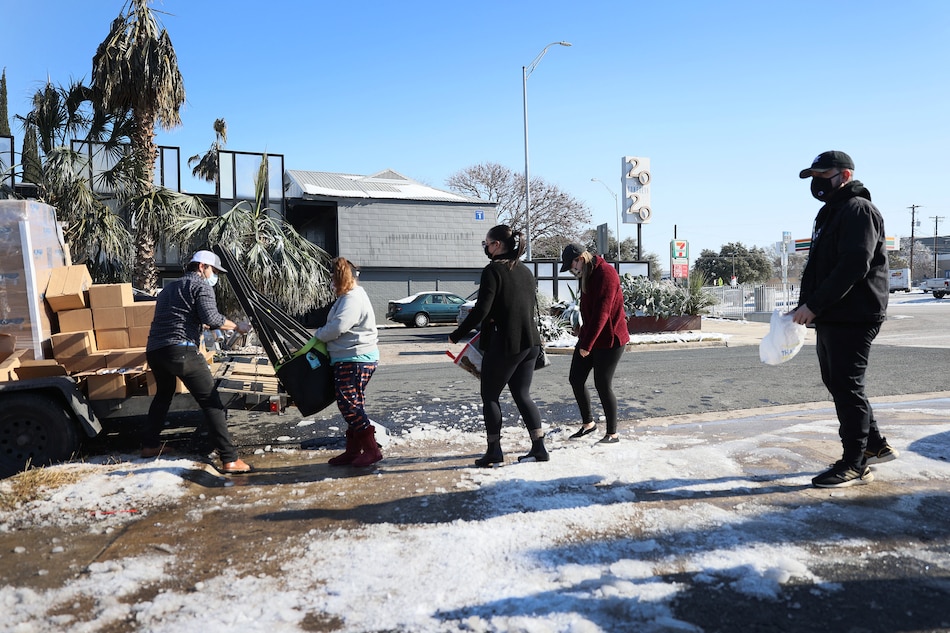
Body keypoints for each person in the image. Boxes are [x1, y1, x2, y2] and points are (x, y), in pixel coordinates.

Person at [792, 151, 897, 488]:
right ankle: (874, 445)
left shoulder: (858, 211)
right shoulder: (831, 212)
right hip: (836, 312)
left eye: (824, 176)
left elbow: (853, 265)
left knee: (846, 385)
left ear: (845, 176)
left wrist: (816, 305)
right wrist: (803, 306)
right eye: (814, 178)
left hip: (855, 312)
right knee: (839, 382)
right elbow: (820, 268)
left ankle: (854, 463)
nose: (818, 183)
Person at [143, 250, 253, 474]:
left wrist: (201, 326)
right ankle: (230, 459)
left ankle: (150, 445)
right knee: (211, 402)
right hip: (182, 351)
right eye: (214, 270)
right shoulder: (201, 285)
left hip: (155, 351)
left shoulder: (169, 289)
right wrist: (237, 326)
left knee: (163, 396)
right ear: (202, 266)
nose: (215, 277)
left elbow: (179, 317)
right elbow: (212, 318)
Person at [449, 224, 546, 466]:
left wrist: (457, 334)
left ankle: (494, 451)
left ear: (497, 245)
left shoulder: (493, 270)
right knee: (522, 395)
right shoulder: (525, 271)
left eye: (487, 244)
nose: (486, 248)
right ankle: (539, 448)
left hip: (506, 343)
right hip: (530, 343)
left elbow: (481, 309)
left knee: (490, 395)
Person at [560, 243, 631, 444]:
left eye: (572, 265)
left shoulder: (606, 274)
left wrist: (587, 345)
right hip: (591, 336)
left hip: (610, 339)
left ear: (580, 258)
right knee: (576, 378)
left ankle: (612, 434)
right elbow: (588, 310)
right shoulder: (588, 274)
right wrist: (582, 333)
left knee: (602, 384)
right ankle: (588, 424)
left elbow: (603, 312)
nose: (572, 270)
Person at [316, 257, 383, 467]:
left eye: (331, 279)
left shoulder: (352, 298)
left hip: (354, 359)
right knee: (354, 404)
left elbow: (338, 327)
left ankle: (371, 450)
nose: (330, 284)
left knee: (349, 405)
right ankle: (353, 451)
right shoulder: (350, 296)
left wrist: (318, 335)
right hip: (352, 358)